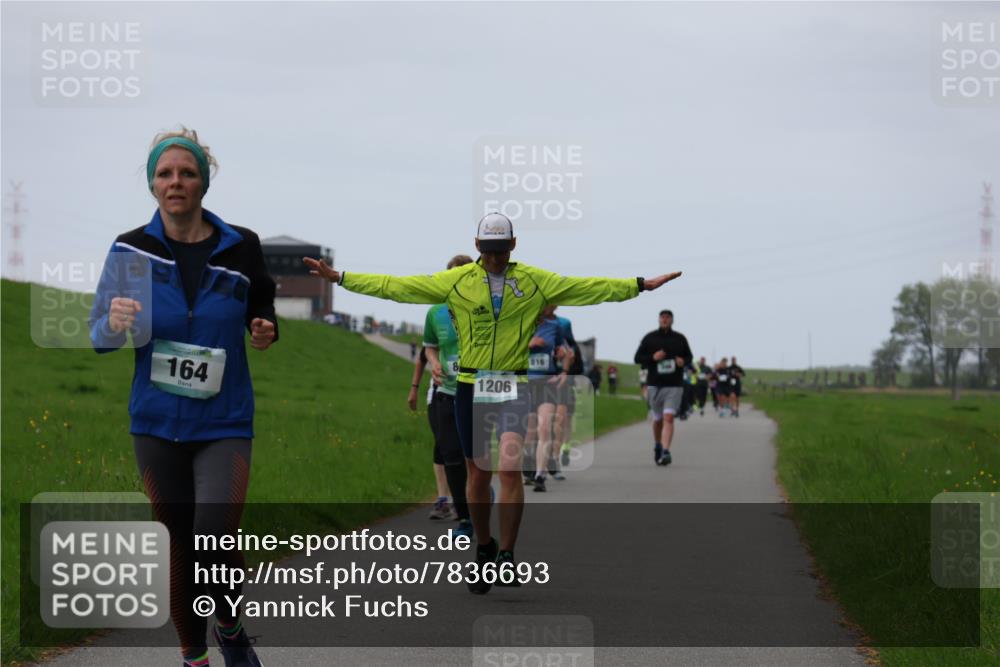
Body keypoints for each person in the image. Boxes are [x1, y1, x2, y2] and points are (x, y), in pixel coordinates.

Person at [304, 212, 681, 594]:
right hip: (470, 384)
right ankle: (484, 547)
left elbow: (587, 287)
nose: (496, 258)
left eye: (501, 251)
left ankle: (507, 556)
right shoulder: (457, 281)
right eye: (489, 251)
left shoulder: (536, 280)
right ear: (477, 246)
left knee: (510, 469)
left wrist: (639, 285)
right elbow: (399, 287)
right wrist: (341, 279)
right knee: (479, 473)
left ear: (513, 246)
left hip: (514, 385)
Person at [90, 128, 276, 667]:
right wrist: (113, 322)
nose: (176, 182)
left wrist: (265, 331)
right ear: (152, 183)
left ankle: (231, 627)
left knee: (213, 537)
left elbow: (260, 311)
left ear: (204, 182)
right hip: (156, 423)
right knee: (181, 547)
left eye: (187, 173)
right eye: (166, 173)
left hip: (224, 421)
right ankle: (193, 657)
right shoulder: (129, 249)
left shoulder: (241, 245)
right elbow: (98, 337)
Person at [422, 255, 475, 536]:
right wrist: (435, 361)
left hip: (479, 393)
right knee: (451, 454)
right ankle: (465, 518)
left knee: (473, 458)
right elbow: (429, 346)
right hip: (446, 391)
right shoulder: (435, 312)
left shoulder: (484, 308)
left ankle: (477, 495)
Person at [634, 310, 692, 466]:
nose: (665, 320)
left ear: (672, 320)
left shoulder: (680, 339)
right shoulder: (650, 338)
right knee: (658, 419)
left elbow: (689, 357)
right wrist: (653, 358)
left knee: (669, 417)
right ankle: (658, 445)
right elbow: (637, 358)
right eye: (663, 317)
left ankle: (666, 451)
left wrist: (683, 361)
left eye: (668, 317)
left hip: (674, 384)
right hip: (654, 384)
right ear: (659, 320)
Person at [523, 304, 571, 492]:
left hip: (547, 383)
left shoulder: (555, 326)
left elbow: (566, 352)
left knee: (545, 427)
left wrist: (564, 370)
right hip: (525, 382)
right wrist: (528, 344)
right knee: (529, 432)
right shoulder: (521, 323)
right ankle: (528, 461)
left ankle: (540, 475)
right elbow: (505, 350)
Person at [407, 346, 457, 521]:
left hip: (467, 393)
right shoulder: (439, 323)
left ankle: (465, 496)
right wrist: (414, 388)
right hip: (438, 394)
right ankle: (443, 500)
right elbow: (422, 357)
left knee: (462, 446)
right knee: (442, 443)